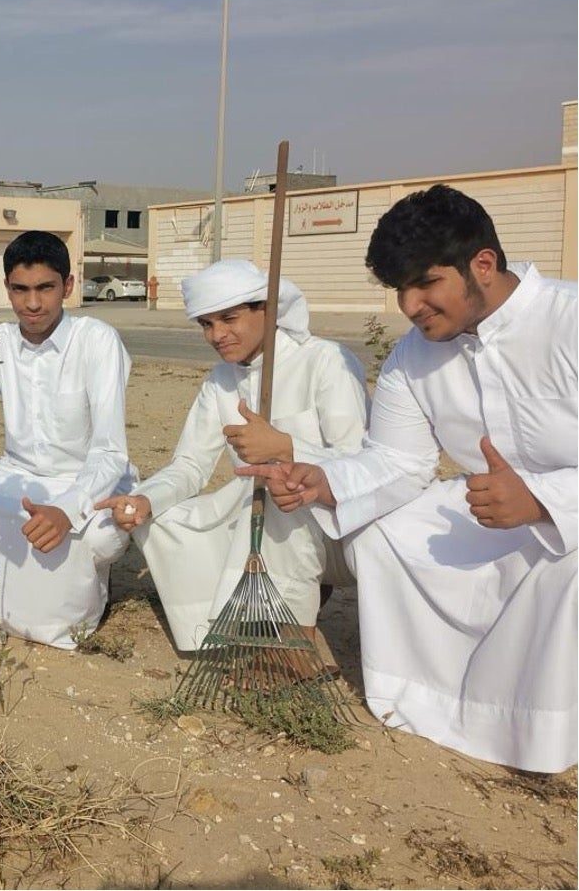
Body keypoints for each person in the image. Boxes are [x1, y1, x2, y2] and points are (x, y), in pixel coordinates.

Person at [242, 184, 576, 773]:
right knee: (385, 533)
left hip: (566, 516)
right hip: (493, 513)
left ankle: (540, 727)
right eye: (401, 289)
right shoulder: (411, 358)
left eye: (425, 283)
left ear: (483, 264)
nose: (412, 306)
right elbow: (396, 464)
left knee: (566, 558)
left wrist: (544, 500)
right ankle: (434, 699)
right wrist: (322, 480)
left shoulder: (569, 322)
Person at [94, 260, 367, 654]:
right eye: (206, 324)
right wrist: (143, 500)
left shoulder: (326, 361)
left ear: (266, 310)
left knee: (277, 487)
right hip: (260, 525)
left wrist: (285, 447)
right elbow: (190, 465)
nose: (217, 335)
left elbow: (359, 463)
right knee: (161, 519)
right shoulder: (221, 380)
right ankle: (216, 630)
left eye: (229, 318)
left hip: (339, 531)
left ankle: (288, 646)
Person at [0, 230, 134, 649]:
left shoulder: (96, 340)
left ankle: (78, 612)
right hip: (18, 474)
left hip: (86, 477)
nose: (32, 304)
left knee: (101, 537)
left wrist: (68, 510)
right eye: (21, 289)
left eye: (45, 288)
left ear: (68, 286)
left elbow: (109, 451)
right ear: (7, 289)